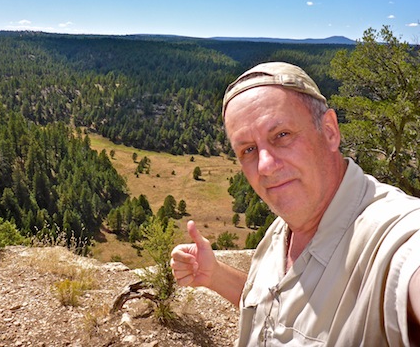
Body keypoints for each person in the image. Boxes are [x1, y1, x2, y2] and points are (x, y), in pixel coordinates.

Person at [170, 62, 420, 346]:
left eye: (282, 135)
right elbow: (275, 315)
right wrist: (214, 275)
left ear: (329, 131)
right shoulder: (279, 234)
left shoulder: (389, 238)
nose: (265, 166)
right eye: (248, 149)